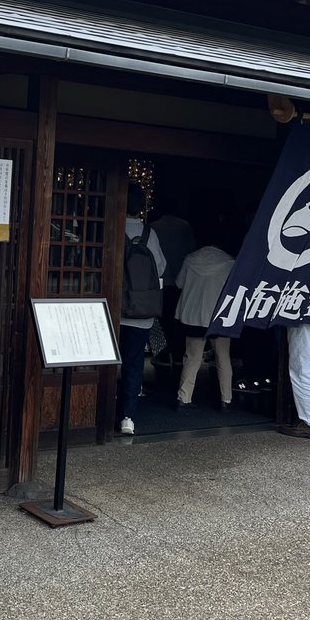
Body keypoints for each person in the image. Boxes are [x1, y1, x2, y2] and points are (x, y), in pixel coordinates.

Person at [118, 182, 166, 436]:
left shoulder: (112, 228)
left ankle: (100, 411)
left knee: (106, 362)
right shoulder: (149, 234)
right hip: (141, 313)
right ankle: (127, 416)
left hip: (114, 309)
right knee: (134, 364)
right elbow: (161, 266)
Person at [174, 244, 235, 409]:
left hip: (193, 315)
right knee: (223, 357)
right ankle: (226, 399)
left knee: (192, 358)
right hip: (219, 317)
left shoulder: (190, 259)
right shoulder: (229, 262)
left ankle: (183, 398)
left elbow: (179, 283)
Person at [151, 206, 196, 379]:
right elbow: (191, 250)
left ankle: (164, 352)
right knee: (178, 319)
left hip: (161, 280)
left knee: (163, 318)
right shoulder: (184, 226)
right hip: (181, 279)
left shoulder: (153, 227)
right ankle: (177, 353)